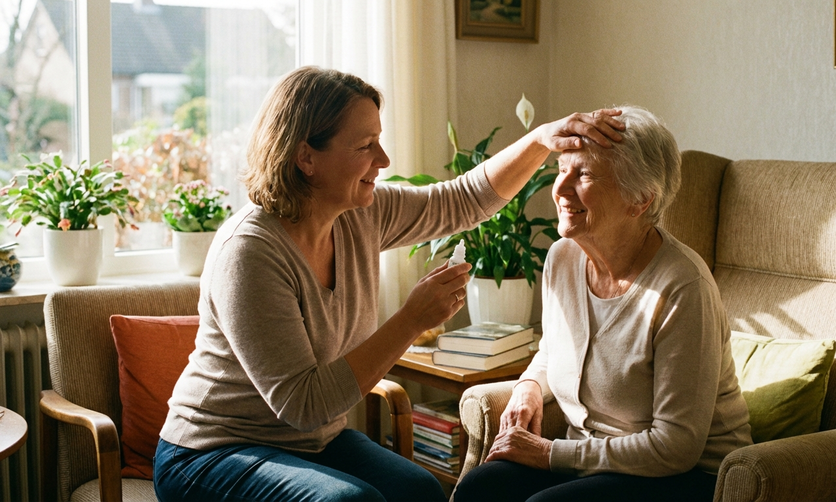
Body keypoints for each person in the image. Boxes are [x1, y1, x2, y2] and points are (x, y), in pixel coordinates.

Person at [152, 66, 626, 502]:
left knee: (419, 491)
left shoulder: (361, 213)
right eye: (365, 146)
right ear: (306, 158)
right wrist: (412, 319)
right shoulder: (250, 252)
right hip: (211, 452)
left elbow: (464, 200)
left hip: (311, 444)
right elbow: (305, 404)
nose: (384, 158)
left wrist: (541, 140)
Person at [453, 106, 753, 502]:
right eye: (562, 169)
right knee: (481, 487)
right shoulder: (562, 258)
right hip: (594, 462)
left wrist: (549, 454)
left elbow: (675, 446)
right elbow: (553, 348)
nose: (560, 190)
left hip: (687, 476)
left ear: (639, 200)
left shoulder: (683, 288)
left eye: (585, 175)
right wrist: (527, 388)